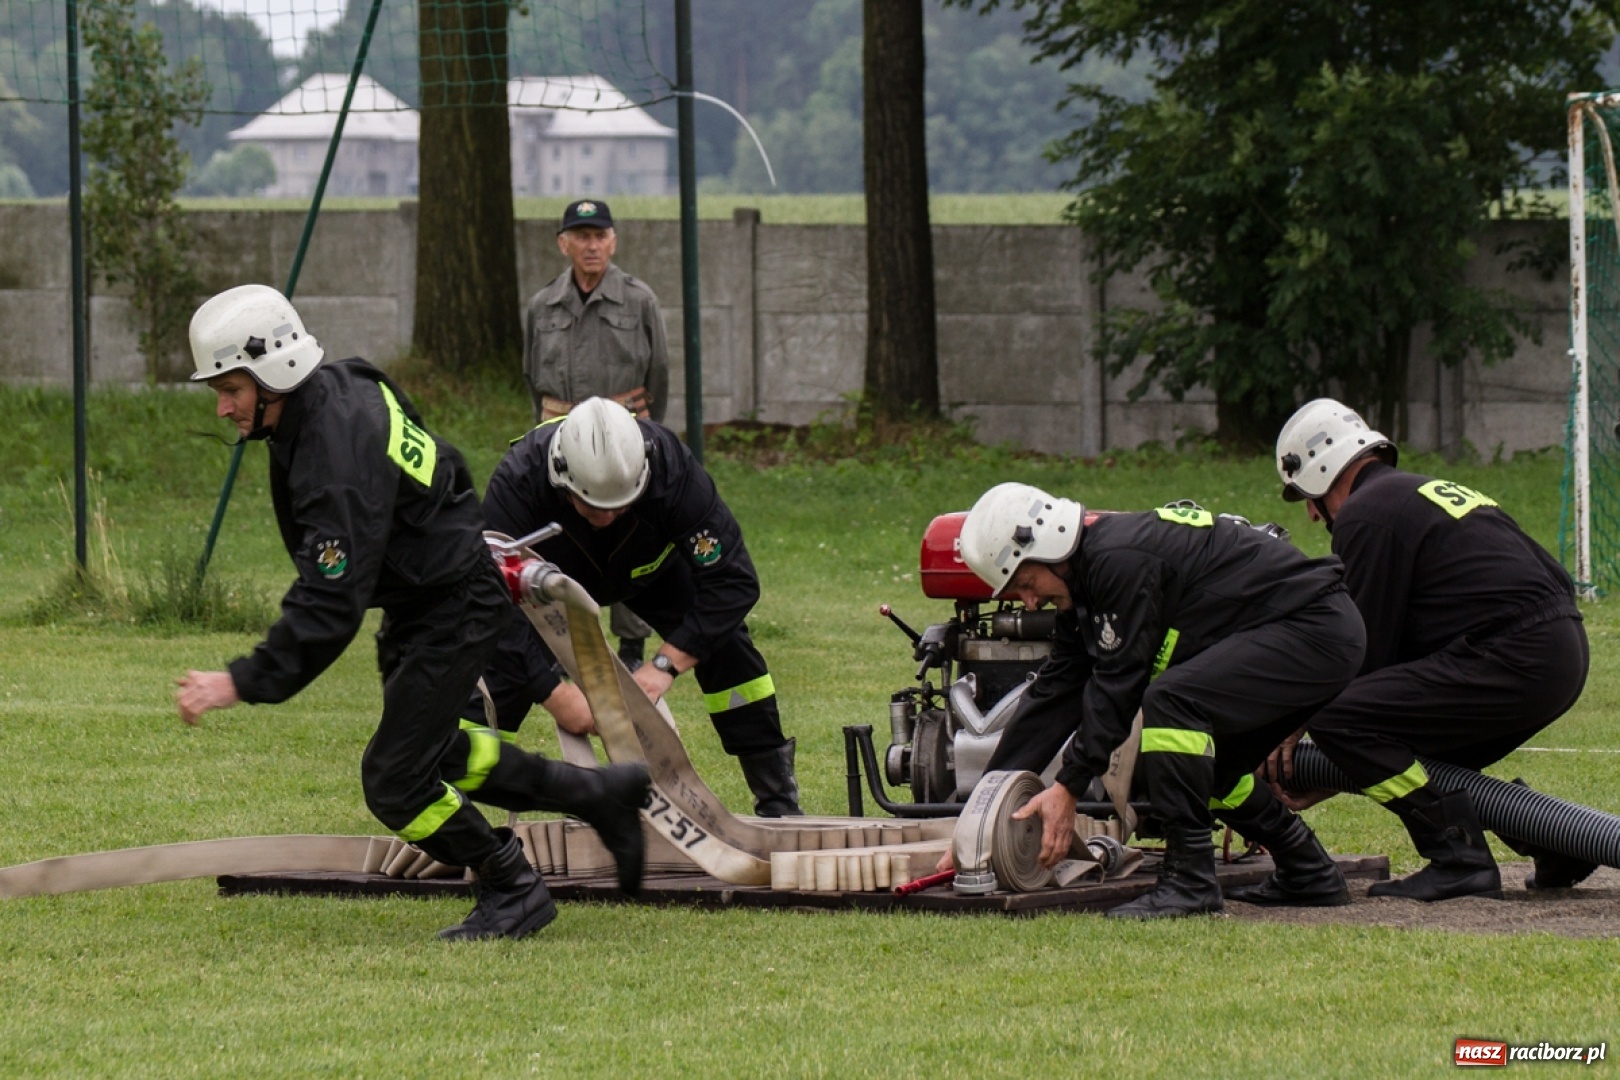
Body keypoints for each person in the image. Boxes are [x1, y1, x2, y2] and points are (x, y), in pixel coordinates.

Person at [173, 284, 650, 942]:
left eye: (231, 389)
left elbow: (330, 602)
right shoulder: (346, 382)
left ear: (273, 371)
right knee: (438, 754)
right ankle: (597, 794)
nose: (224, 407)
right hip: (433, 595)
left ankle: (512, 886)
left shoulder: (331, 456)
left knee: (395, 780)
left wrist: (243, 680)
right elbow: (443, 467)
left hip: (451, 603)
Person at [950, 482, 1366, 918]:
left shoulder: (1119, 561)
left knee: (1171, 701)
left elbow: (1118, 686)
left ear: (1049, 547)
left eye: (1025, 582)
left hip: (1317, 631)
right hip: (1318, 633)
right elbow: (1054, 694)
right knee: (1211, 767)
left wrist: (1068, 786)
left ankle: (1190, 881)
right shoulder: (1090, 578)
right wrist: (981, 814)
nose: (1029, 601)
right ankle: (1308, 869)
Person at [1268, 399, 1591, 901]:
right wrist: (1344, 769)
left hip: (1514, 652)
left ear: (1324, 466)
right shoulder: (1416, 492)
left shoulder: (1365, 515)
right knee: (1417, 751)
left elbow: (1356, 657)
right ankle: (1552, 837)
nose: (1311, 513)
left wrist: (1297, 731)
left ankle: (1459, 860)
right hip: (1560, 651)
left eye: (1307, 495)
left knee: (1337, 718)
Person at [476, 396, 804, 817]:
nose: (606, 518)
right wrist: (555, 695)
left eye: (619, 506)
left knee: (729, 650)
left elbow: (733, 582)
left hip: (650, 571)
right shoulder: (518, 480)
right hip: (548, 584)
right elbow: (490, 600)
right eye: (591, 506)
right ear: (561, 477)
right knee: (495, 672)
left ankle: (778, 800)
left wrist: (664, 666)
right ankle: (459, 805)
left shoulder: (673, 469)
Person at [524, 198, 671, 672]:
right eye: (581, 236)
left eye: (600, 235)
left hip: (625, 432)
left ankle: (631, 646)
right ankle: (567, 641)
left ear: (613, 240)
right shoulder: (542, 304)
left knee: (630, 532)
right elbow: (532, 375)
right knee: (561, 535)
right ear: (563, 243)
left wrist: (643, 430)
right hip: (560, 436)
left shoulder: (640, 299)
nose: (591, 245)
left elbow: (661, 373)